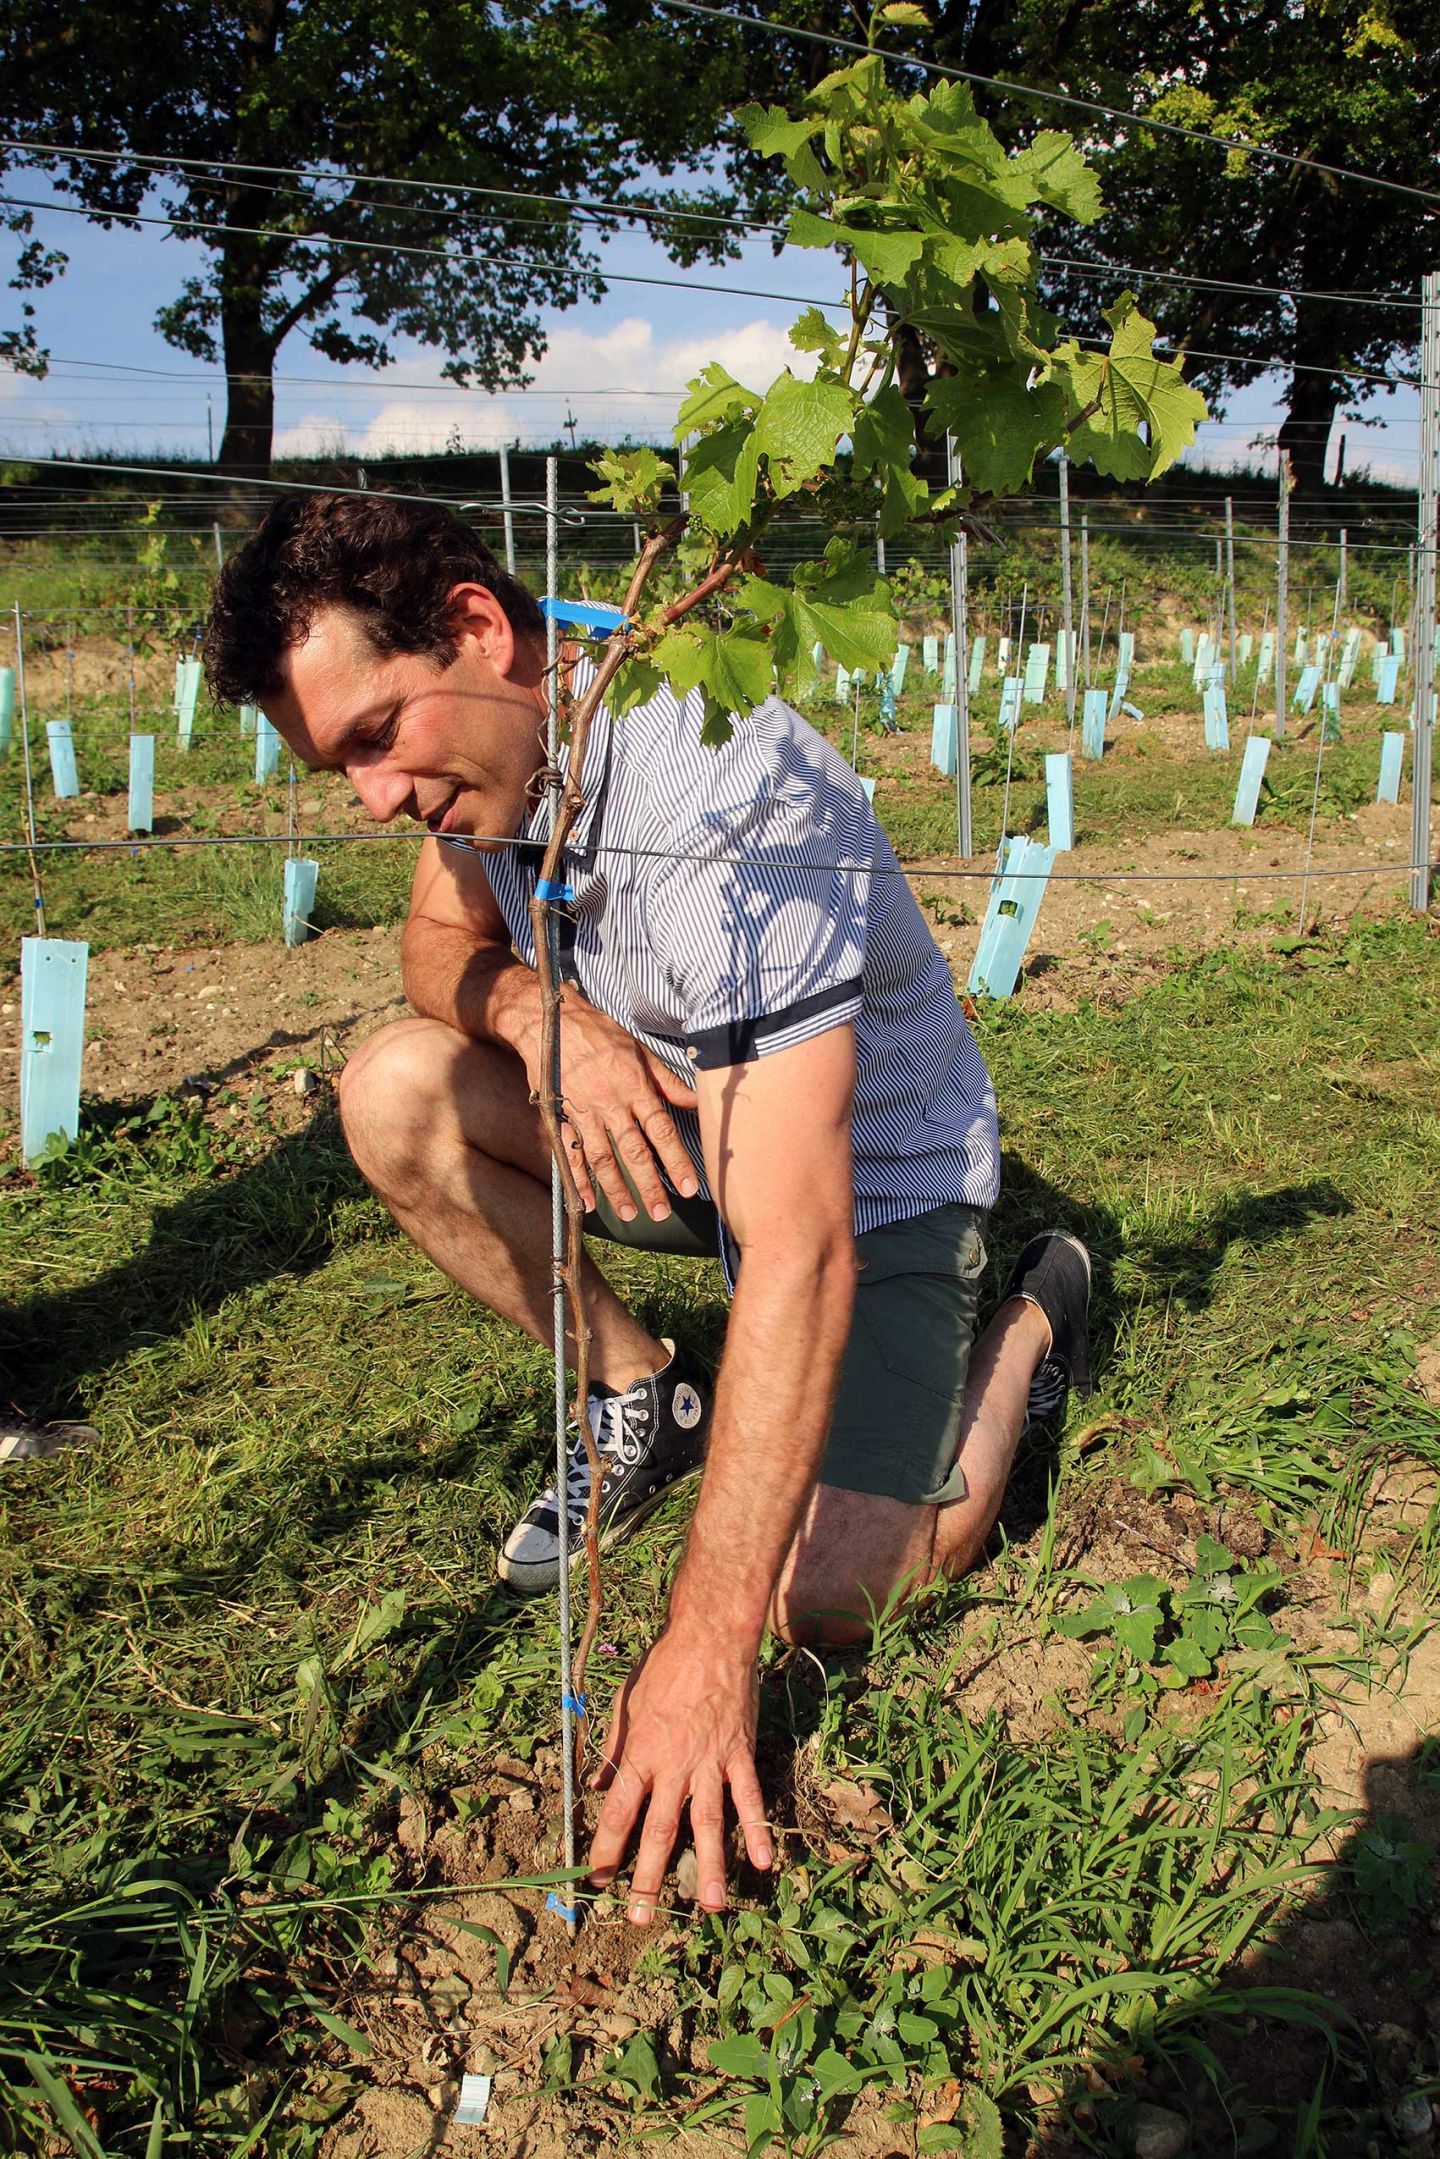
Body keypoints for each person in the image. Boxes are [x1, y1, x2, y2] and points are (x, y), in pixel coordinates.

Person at [203, 493, 1092, 1925]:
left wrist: (701, 1647)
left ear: (477, 628)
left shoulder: (730, 799)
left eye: (374, 738)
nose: (372, 798)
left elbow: (801, 1247)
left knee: (839, 1588)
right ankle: (643, 1393)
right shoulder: (507, 740)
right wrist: (540, 1014)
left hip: (870, 1188)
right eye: (338, 766)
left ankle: (1035, 1318)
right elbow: (435, 941)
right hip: (688, 1130)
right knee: (393, 1092)